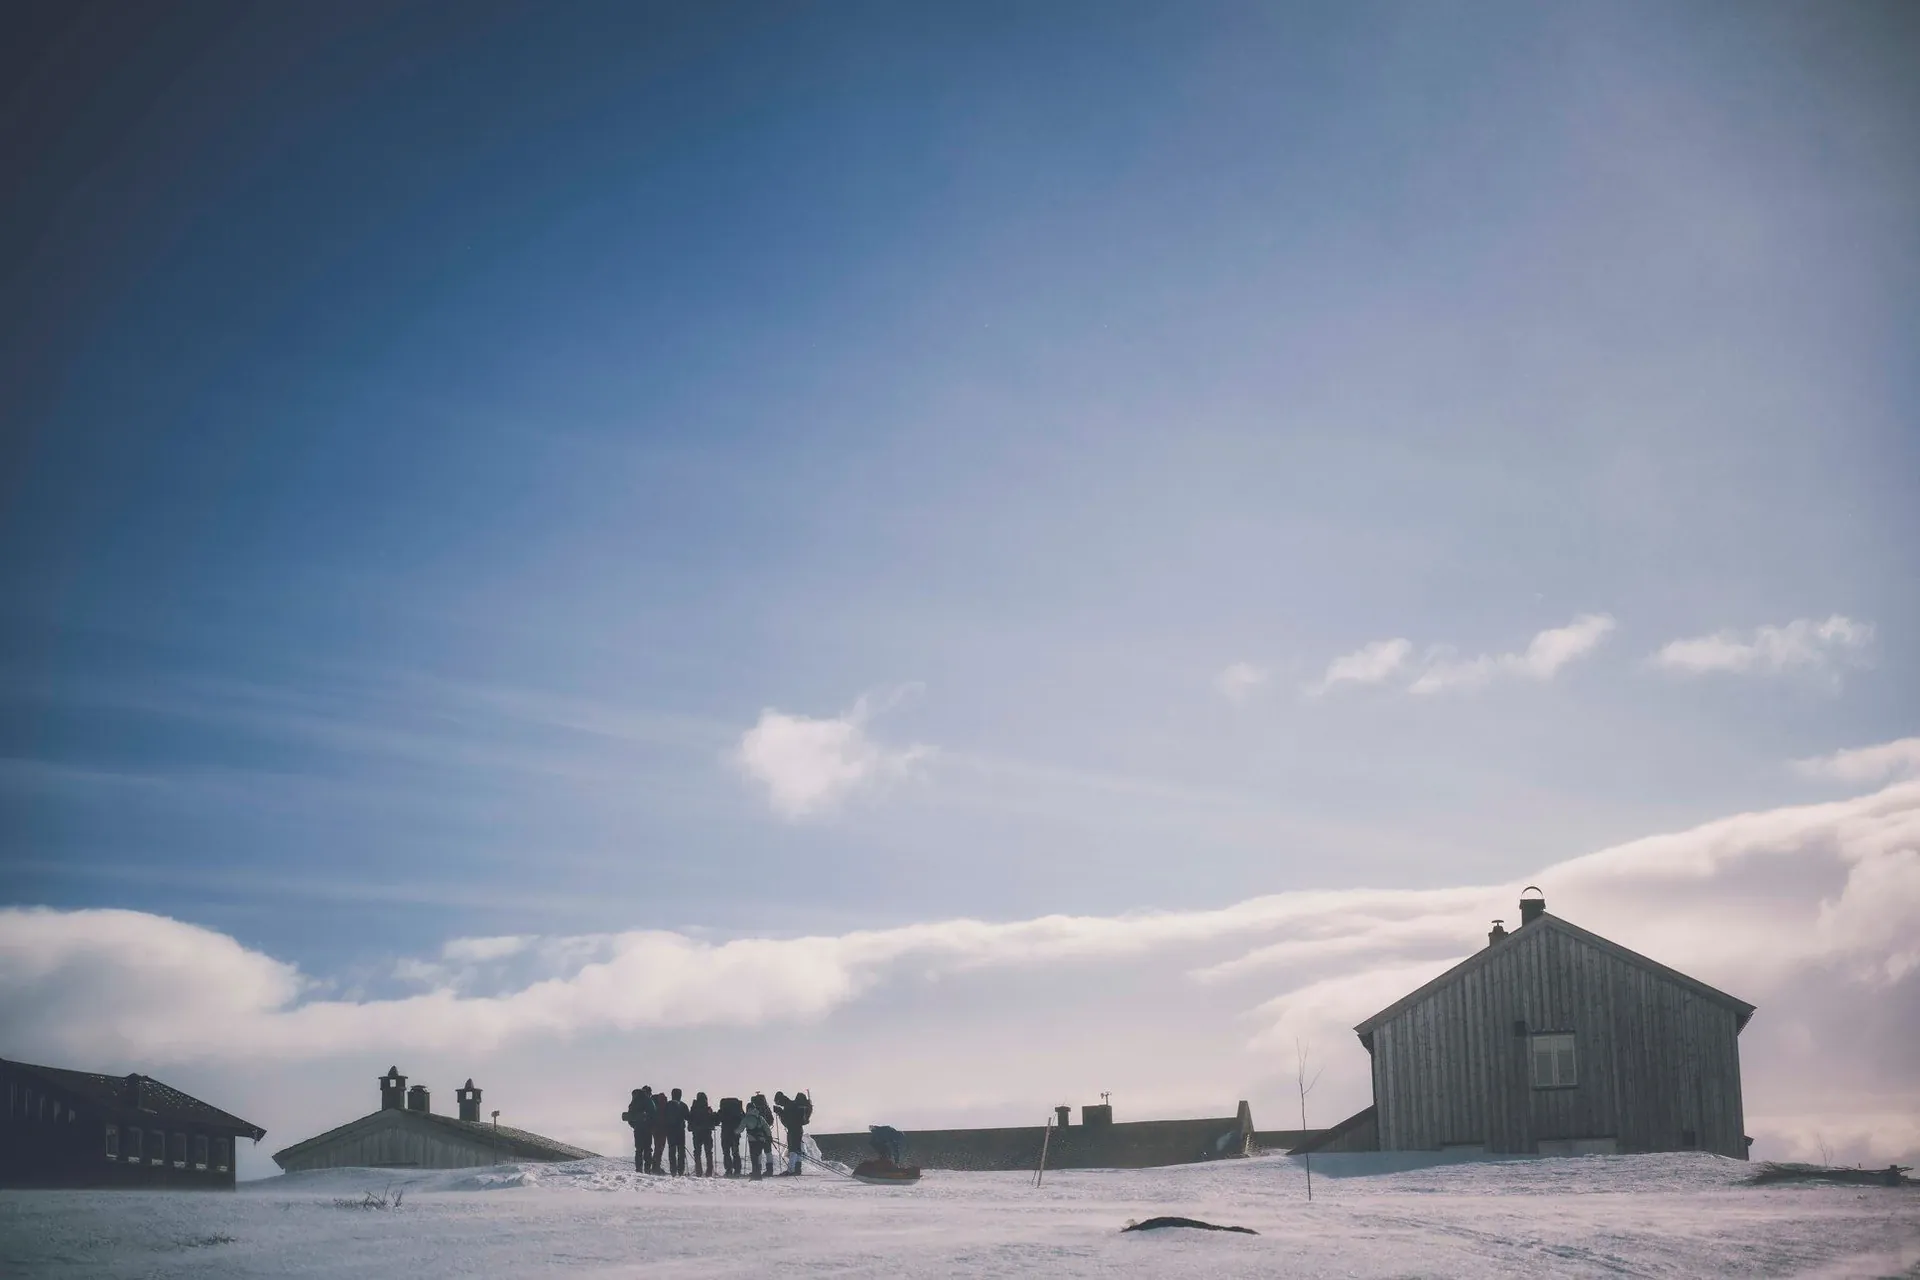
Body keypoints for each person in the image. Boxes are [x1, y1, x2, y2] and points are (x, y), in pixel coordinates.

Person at [773, 1089, 812, 1175]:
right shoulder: (792, 1104)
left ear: (780, 1100)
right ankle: (797, 1169)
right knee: (797, 1149)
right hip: (798, 1129)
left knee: (793, 1149)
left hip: (793, 1129)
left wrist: (780, 1112)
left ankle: (791, 1170)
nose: (778, 1104)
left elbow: (787, 1121)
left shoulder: (788, 1106)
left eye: (778, 1102)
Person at [620, 1088, 655, 1173]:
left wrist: (634, 1126)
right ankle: (647, 1170)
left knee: (639, 1149)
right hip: (647, 1128)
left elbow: (630, 1116)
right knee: (648, 1149)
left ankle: (638, 1170)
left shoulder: (634, 1101)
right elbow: (653, 1112)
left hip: (638, 1129)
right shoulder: (648, 1100)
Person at [745, 1093, 775, 1178]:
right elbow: (771, 1120)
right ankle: (770, 1170)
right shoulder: (766, 1108)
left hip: (756, 1134)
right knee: (768, 1152)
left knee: (758, 1153)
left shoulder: (753, 1108)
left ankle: (757, 1170)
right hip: (766, 1133)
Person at [661, 1087, 690, 1176]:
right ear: (680, 1095)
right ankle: (681, 1171)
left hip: (670, 1131)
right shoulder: (683, 1105)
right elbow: (688, 1117)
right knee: (681, 1151)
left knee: (672, 1150)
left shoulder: (668, 1104)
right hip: (680, 1131)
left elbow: (663, 1116)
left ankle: (673, 1171)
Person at [688, 1092, 718, 1177]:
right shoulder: (708, 1109)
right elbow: (713, 1120)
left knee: (697, 1152)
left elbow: (690, 1120)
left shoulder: (693, 1109)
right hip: (707, 1133)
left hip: (696, 1133)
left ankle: (698, 1171)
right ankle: (709, 1172)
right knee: (708, 1152)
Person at [717, 1096, 746, 1177]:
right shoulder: (738, 1110)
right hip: (735, 1133)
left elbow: (717, 1120)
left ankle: (728, 1170)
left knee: (726, 1152)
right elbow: (743, 1117)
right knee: (735, 1152)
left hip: (725, 1133)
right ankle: (737, 1170)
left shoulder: (723, 1109)